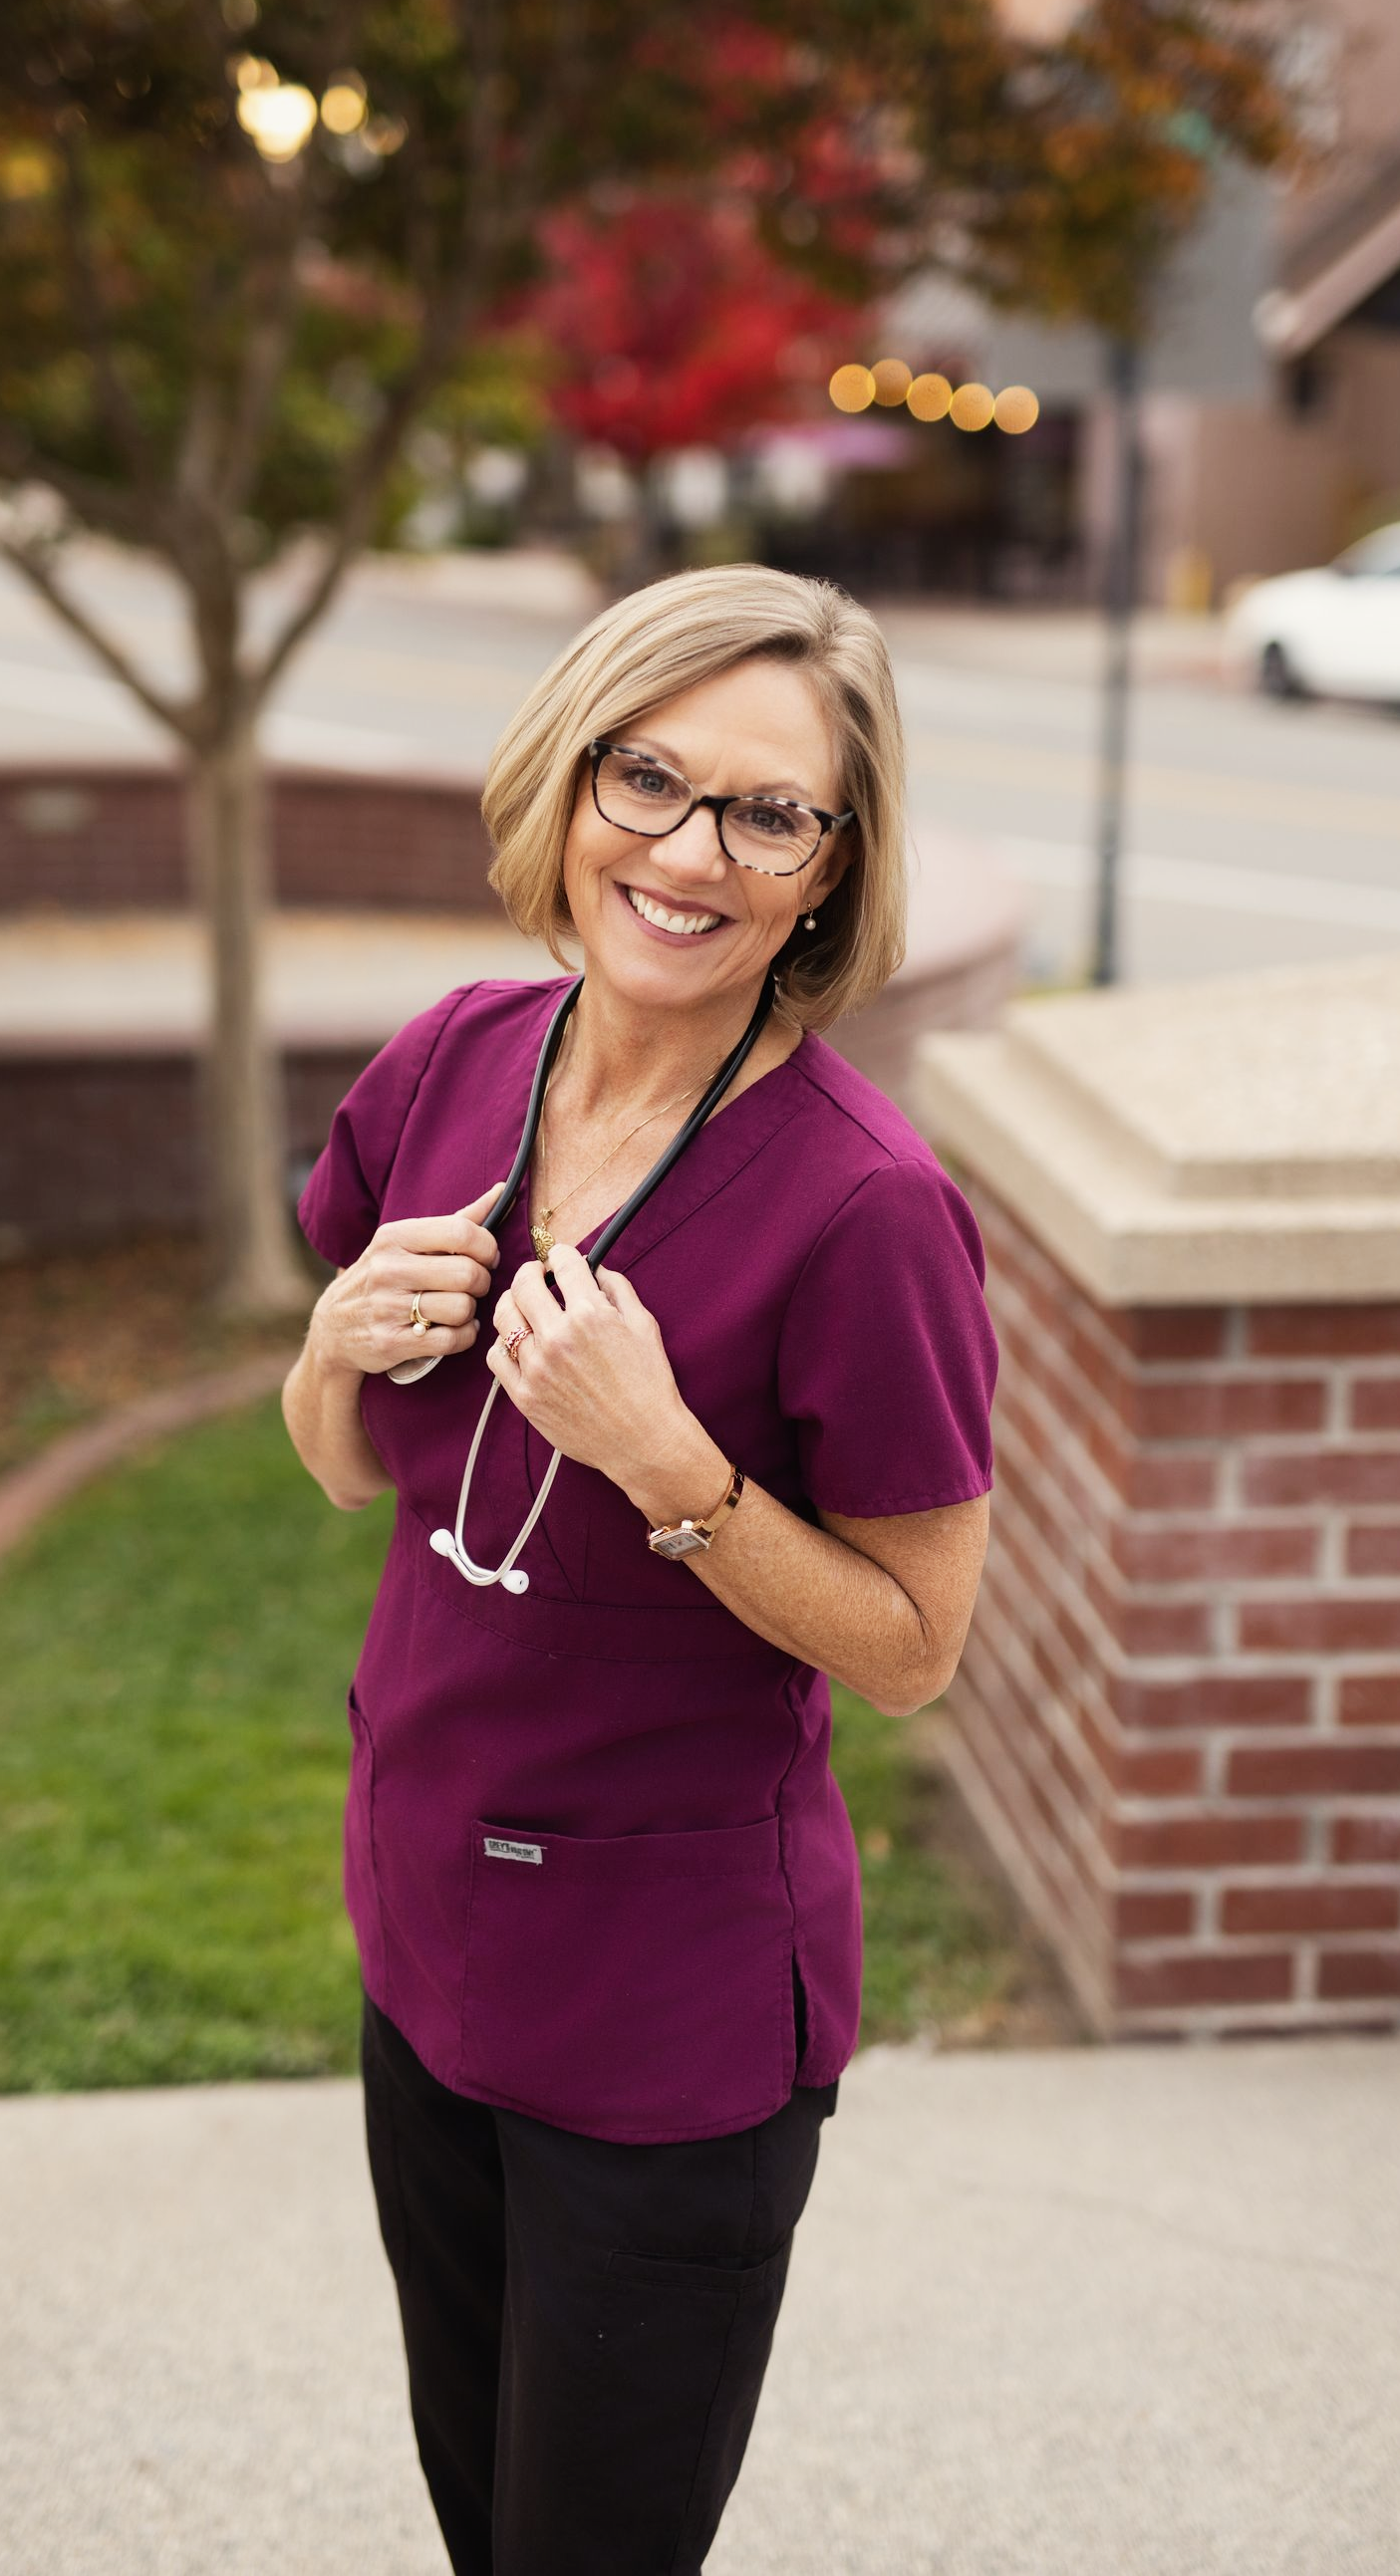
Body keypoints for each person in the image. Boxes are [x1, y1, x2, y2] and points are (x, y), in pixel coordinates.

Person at [281, 565, 996, 2576]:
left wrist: (670, 1459)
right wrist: (331, 1345)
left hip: (664, 2017)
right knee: (478, 2510)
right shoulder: (453, 1060)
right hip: (426, 1933)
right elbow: (350, 1474)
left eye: (765, 812)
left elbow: (920, 1644)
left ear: (832, 872)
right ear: (568, 778)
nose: (685, 852)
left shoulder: (867, 1208)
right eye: (648, 777)